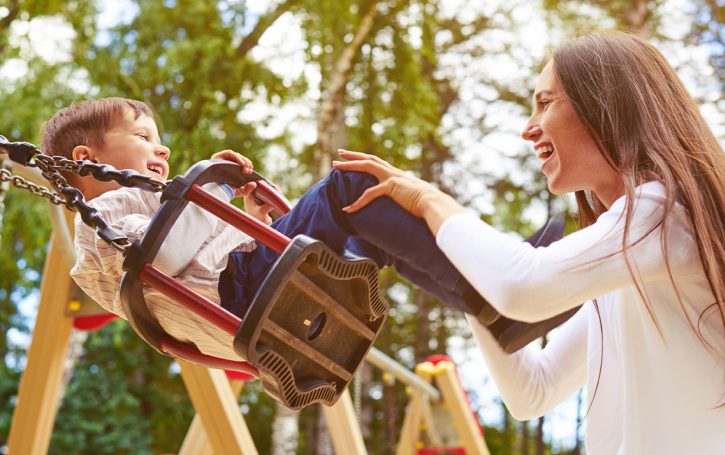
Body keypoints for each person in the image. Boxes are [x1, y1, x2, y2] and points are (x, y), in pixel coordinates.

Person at [334, 31, 725, 455]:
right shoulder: (630, 267)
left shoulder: (665, 212)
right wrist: (460, 275)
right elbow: (533, 391)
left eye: (545, 102)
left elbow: (524, 285)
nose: (528, 128)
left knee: (349, 199)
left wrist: (430, 200)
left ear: (606, 105)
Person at [42, 97, 563, 363]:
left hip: (245, 293)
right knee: (351, 186)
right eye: (142, 136)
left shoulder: (148, 203)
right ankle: (497, 285)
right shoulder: (106, 211)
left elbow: (199, 252)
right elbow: (163, 257)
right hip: (243, 294)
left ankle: (493, 306)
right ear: (87, 159)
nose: (163, 149)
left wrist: (255, 219)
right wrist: (214, 191)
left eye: (160, 139)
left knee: (373, 229)